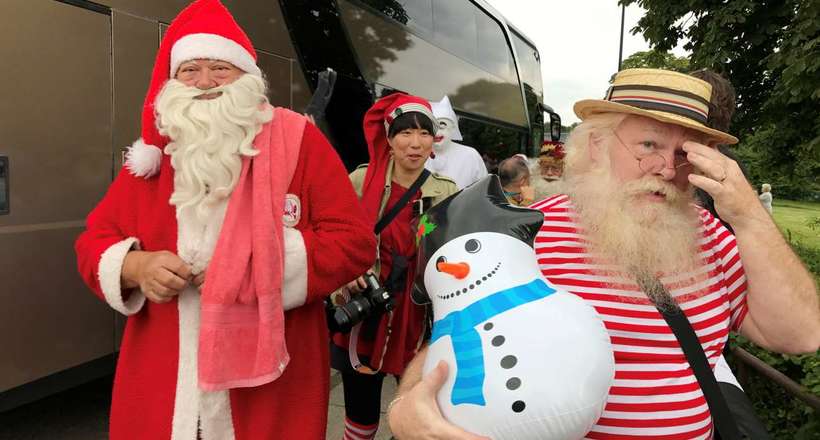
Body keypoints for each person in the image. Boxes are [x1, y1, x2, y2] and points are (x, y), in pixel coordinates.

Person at [387, 68, 820, 439]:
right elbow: (455, 339)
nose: (668, 169)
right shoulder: (524, 234)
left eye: (685, 154)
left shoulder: (716, 239)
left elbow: (802, 335)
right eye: (649, 145)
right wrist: (408, 405)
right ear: (596, 145)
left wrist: (749, 216)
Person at [74, 1, 375, 439]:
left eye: (220, 68)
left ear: (247, 78)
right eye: (190, 71)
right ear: (172, 82)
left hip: (269, 387)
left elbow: (353, 242)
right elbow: (95, 240)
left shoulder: (299, 142)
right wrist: (135, 266)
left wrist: (254, 269)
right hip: (164, 379)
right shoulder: (152, 159)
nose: (205, 83)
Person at [330, 93, 458, 440]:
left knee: (414, 411)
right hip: (367, 312)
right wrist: (347, 276)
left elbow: (455, 252)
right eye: (405, 133)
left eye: (424, 134)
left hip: (416, 318)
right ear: (389, 138)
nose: (414, 144)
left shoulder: (446, 192)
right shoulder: (360, 182)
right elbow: (333, 237)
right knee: (361, 412)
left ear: (434, 140)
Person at [424, 96, 487, 189]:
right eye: (431, 127)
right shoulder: (417, 153)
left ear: (453, 127)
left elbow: (483, 190)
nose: (437, 133)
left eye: (442, 126)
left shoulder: (470, 155)